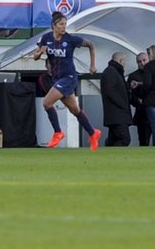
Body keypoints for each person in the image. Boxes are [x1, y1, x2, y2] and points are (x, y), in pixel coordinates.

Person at [25, 12, 100, 149]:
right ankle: (93, 132)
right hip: (57, 78)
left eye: (65, 24)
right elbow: (35, 56)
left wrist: (92, 65)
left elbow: (91, 45)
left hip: (69, 77)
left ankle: (58, 132)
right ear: (53, 26)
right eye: (61, 24)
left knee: (47, 103)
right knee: (74, 110)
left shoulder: (70, 39)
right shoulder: (46, 38)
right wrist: (40, 52)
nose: (64, 27)